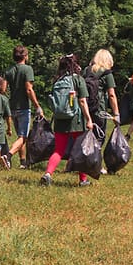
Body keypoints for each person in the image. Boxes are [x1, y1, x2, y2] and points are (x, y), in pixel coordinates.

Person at [40, 54, 94, 187]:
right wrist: (89, 119)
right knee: (80, 150)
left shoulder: (57, 80)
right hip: (76, 121)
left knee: (58, 150)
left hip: (60, 120)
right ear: (75, 65)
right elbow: (82, 101)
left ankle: (48, 174)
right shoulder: (78, 80)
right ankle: (83, 180)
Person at [2, 45, 44, 169]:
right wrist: (37, 106)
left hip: (12, 106)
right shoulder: (27, 69)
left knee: (20, 136)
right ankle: (8, 156)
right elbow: (29, 89)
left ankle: (23, 162)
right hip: (24, 107)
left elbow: (3, 89)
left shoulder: (9, 70)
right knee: (23, 137)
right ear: (25, 56)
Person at [84, 49, 120, 147]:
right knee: (99, 137)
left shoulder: (87, 70)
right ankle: (95, 160)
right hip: (99, 109)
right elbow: (112, 95)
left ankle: (85, 158)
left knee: (87, 136)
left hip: (85, 108)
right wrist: (116, 114)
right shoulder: (107, 73)